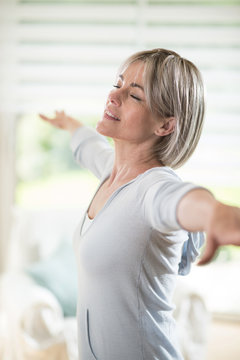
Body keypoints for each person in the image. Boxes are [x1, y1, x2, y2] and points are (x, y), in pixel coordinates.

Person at [39, 48, 240, 360]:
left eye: (133, 96)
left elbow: (184, 200)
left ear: (165, 125)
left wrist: (216, 213)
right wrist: (68, 124)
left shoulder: (153, 190)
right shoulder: (111, 172)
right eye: (118, 83)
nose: (114, 96)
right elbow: (89, 146)